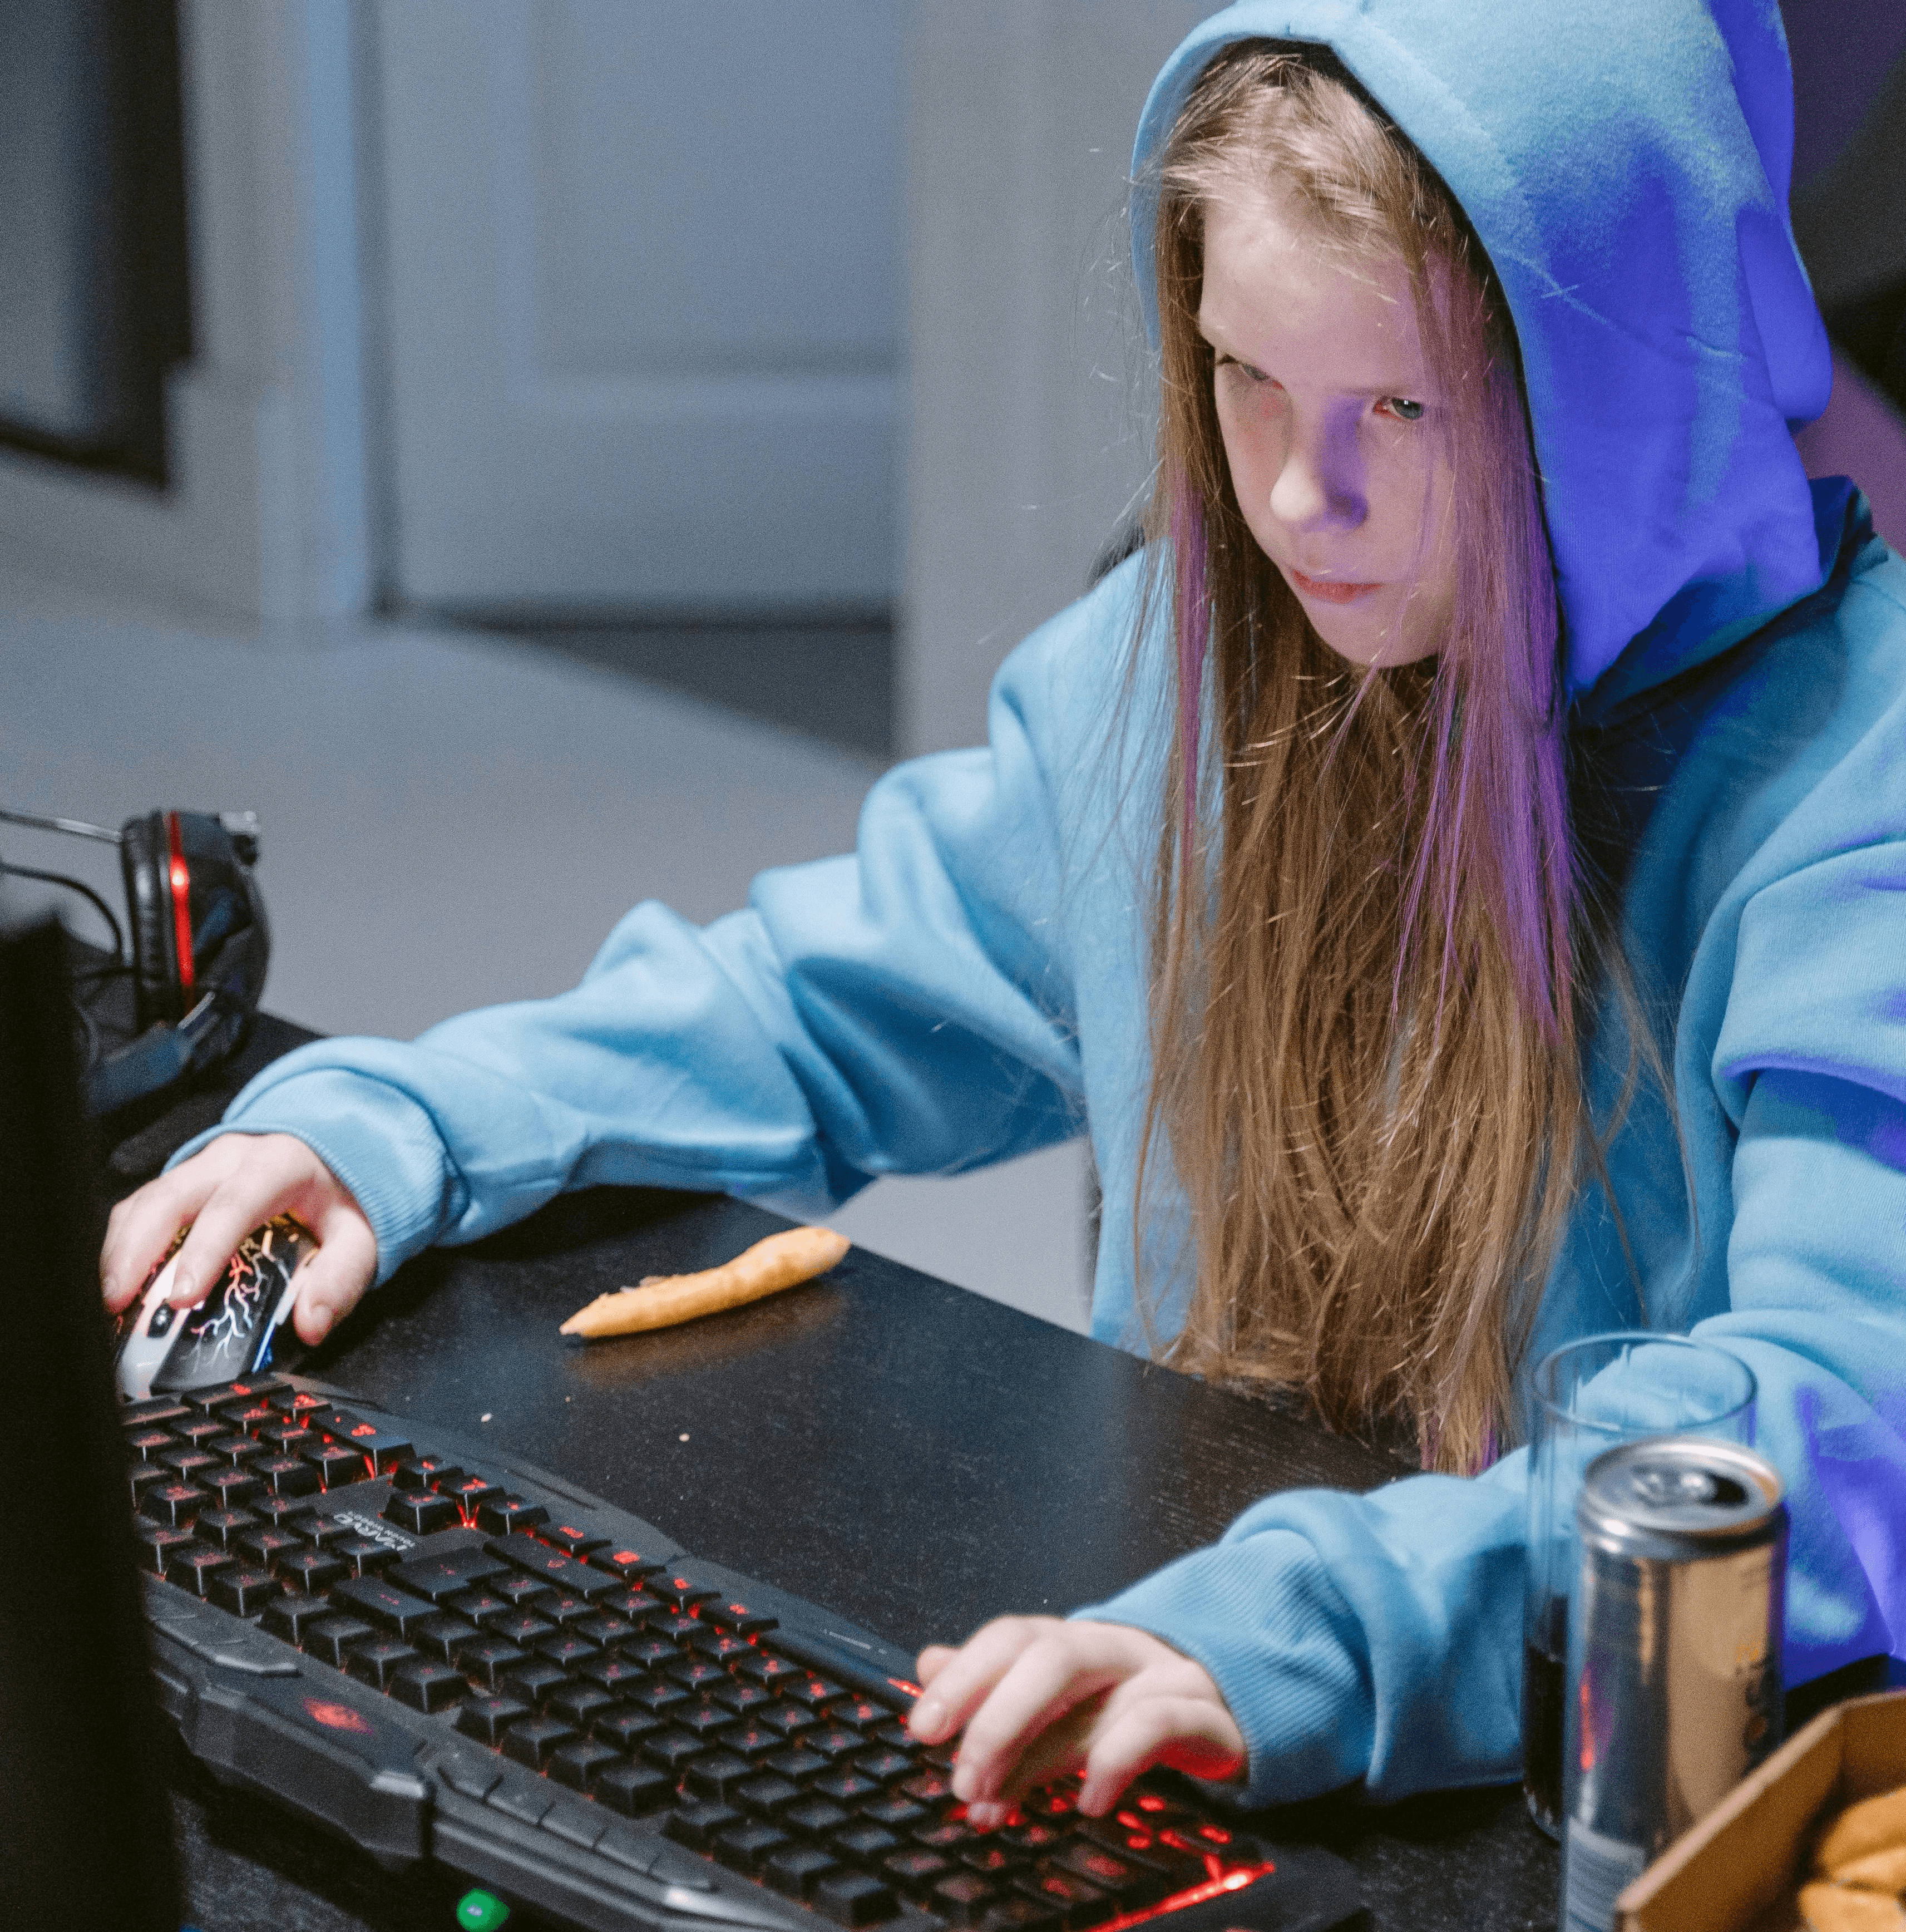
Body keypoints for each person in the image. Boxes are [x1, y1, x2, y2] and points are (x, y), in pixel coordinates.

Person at [103, 0, 1906, 1822]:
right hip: (1194, 1673)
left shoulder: (1857, 798)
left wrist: (1311, 1634)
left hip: (1634, 1793)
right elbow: (812, 1009)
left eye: (1403, 405)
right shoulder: (1183, 673)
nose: (1303, 499)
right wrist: (411, 1122)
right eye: (1246, 376)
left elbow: (1837, 1418)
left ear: (1618, 395)